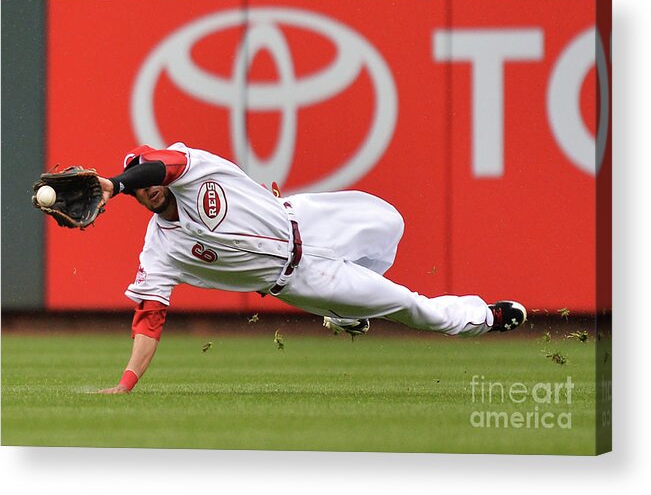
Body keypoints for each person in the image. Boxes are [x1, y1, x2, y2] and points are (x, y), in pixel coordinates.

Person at [97, 143, 526, 394]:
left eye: (145, 179)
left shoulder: (189, 167)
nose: (149, 188)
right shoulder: (160, 250)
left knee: (392, 221)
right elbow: (149, 318)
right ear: (137, 201)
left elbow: (163, 166)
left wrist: (117, 184)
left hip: (310, 218)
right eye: (139, 189)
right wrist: (126, 383)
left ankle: (348, 313)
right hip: (302, 280)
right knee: (411, 308)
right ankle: (484, 317)